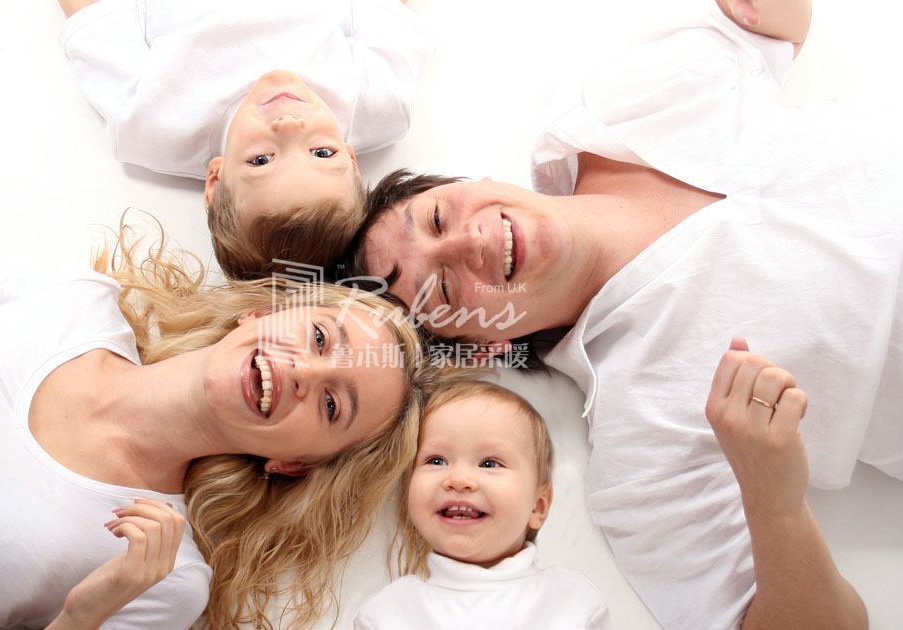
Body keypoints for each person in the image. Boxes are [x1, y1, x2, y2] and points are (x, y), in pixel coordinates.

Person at [341, 0, 899, 627]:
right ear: (483, 346)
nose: (468, 242)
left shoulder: (611, 102)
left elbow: (779, 28)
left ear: (465, 182)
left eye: (438, 217)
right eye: (443, 289)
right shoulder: (644, 442)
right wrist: (775, 504)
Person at [0, 217, 438, 629]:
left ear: (294, 463)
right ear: (262, 315)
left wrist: (83, 616)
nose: (306, 372)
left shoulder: (163, 576)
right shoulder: (75, 300)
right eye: (319, 337)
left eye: (332, 406)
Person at [55, 0, 432, 279]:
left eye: (262, 160)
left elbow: (93, 16)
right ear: (351, 162)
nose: (289, 125)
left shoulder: (153, 122)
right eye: (322, 152)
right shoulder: (378, 103)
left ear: (216, 182)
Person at [354, 378, 611, 629]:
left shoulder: (570, 600)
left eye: (489, 463)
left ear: (537, 507)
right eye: (436, 461)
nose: (458, 479)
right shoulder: (389, 611)